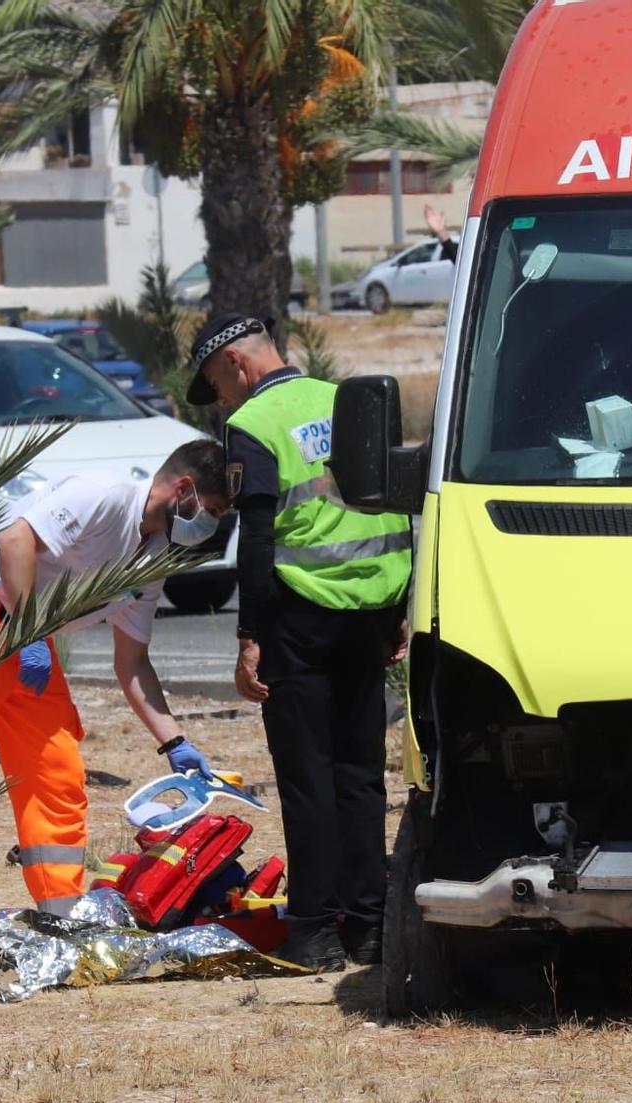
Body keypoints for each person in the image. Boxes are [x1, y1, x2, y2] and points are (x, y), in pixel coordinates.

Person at [0, 442, 233, 914]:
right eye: (213, 509)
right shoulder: (105, 494)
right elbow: (13, 540)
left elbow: (133, 662)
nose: (211, 523)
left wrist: (174, 742)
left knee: (55, 776)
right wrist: (28, 631)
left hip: (28, 641)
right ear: (184, 489)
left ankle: (60, 912)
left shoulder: (152, 557)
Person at [185, 315, 412, 972]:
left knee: (309, 776)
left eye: (216, 386)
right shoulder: (345, 400)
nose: (222, 401)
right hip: (369, 609)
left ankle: (313, 929)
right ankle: (368, 927)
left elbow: (256, 537)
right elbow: (394, 502)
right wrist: (395, 607)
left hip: (300, 616)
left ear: (236, 364)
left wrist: (250, 635)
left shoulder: (256, 425)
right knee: (362, 775)